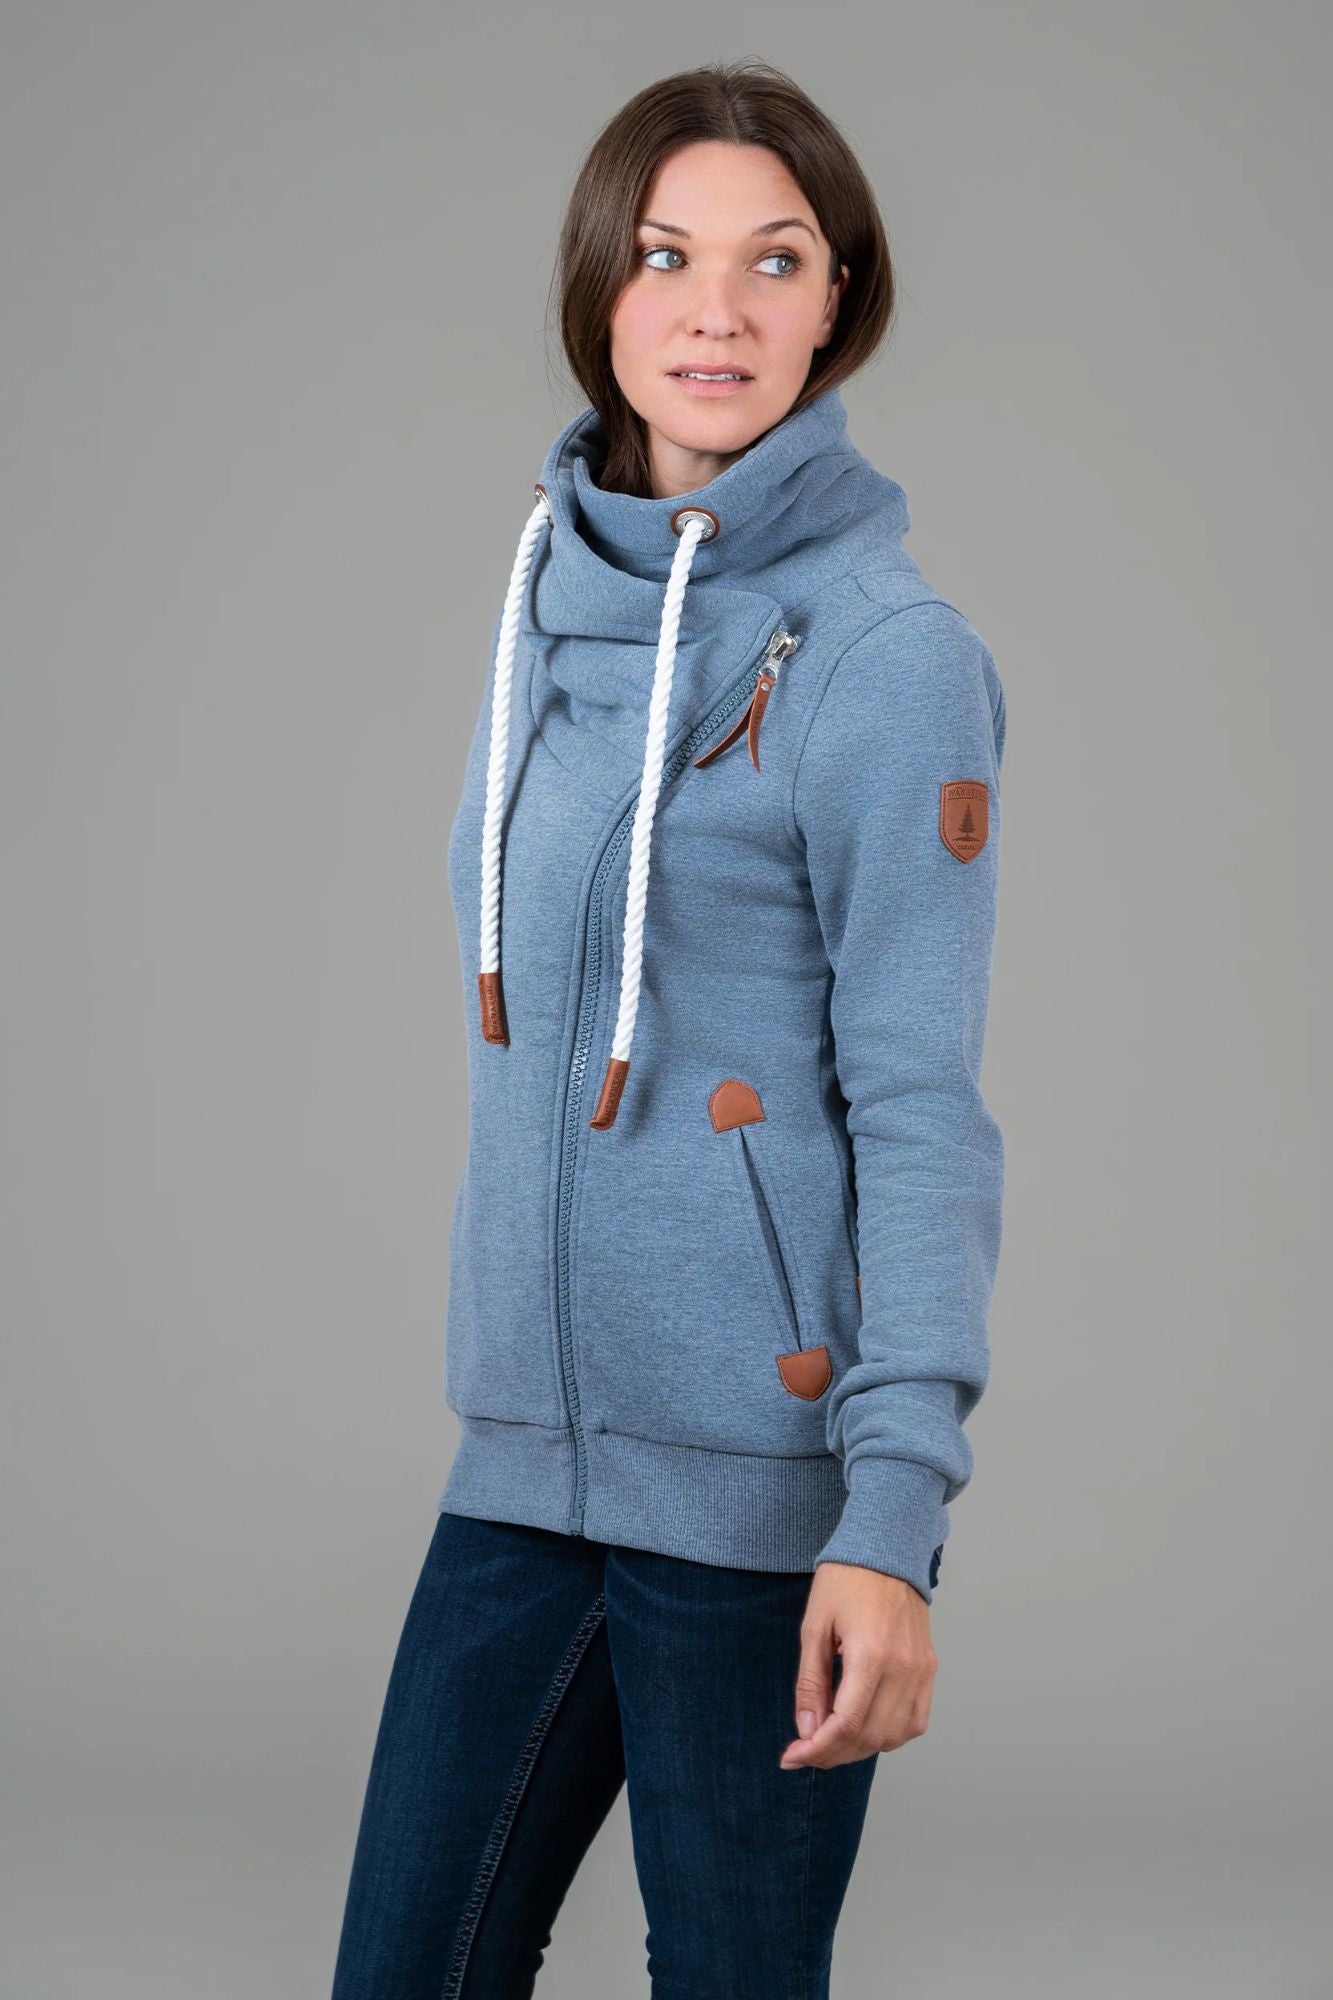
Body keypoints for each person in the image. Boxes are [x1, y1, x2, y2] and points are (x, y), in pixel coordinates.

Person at [331, 56, 1008, 2000]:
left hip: (758, 1498)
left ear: (837, 298)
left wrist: (888, 1521)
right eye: (664, 256)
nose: (716, 310)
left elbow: (919, 1105)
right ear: (599, 290)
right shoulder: (550, 609)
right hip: (523, 1467)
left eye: (772, 260)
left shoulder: (887, 660)